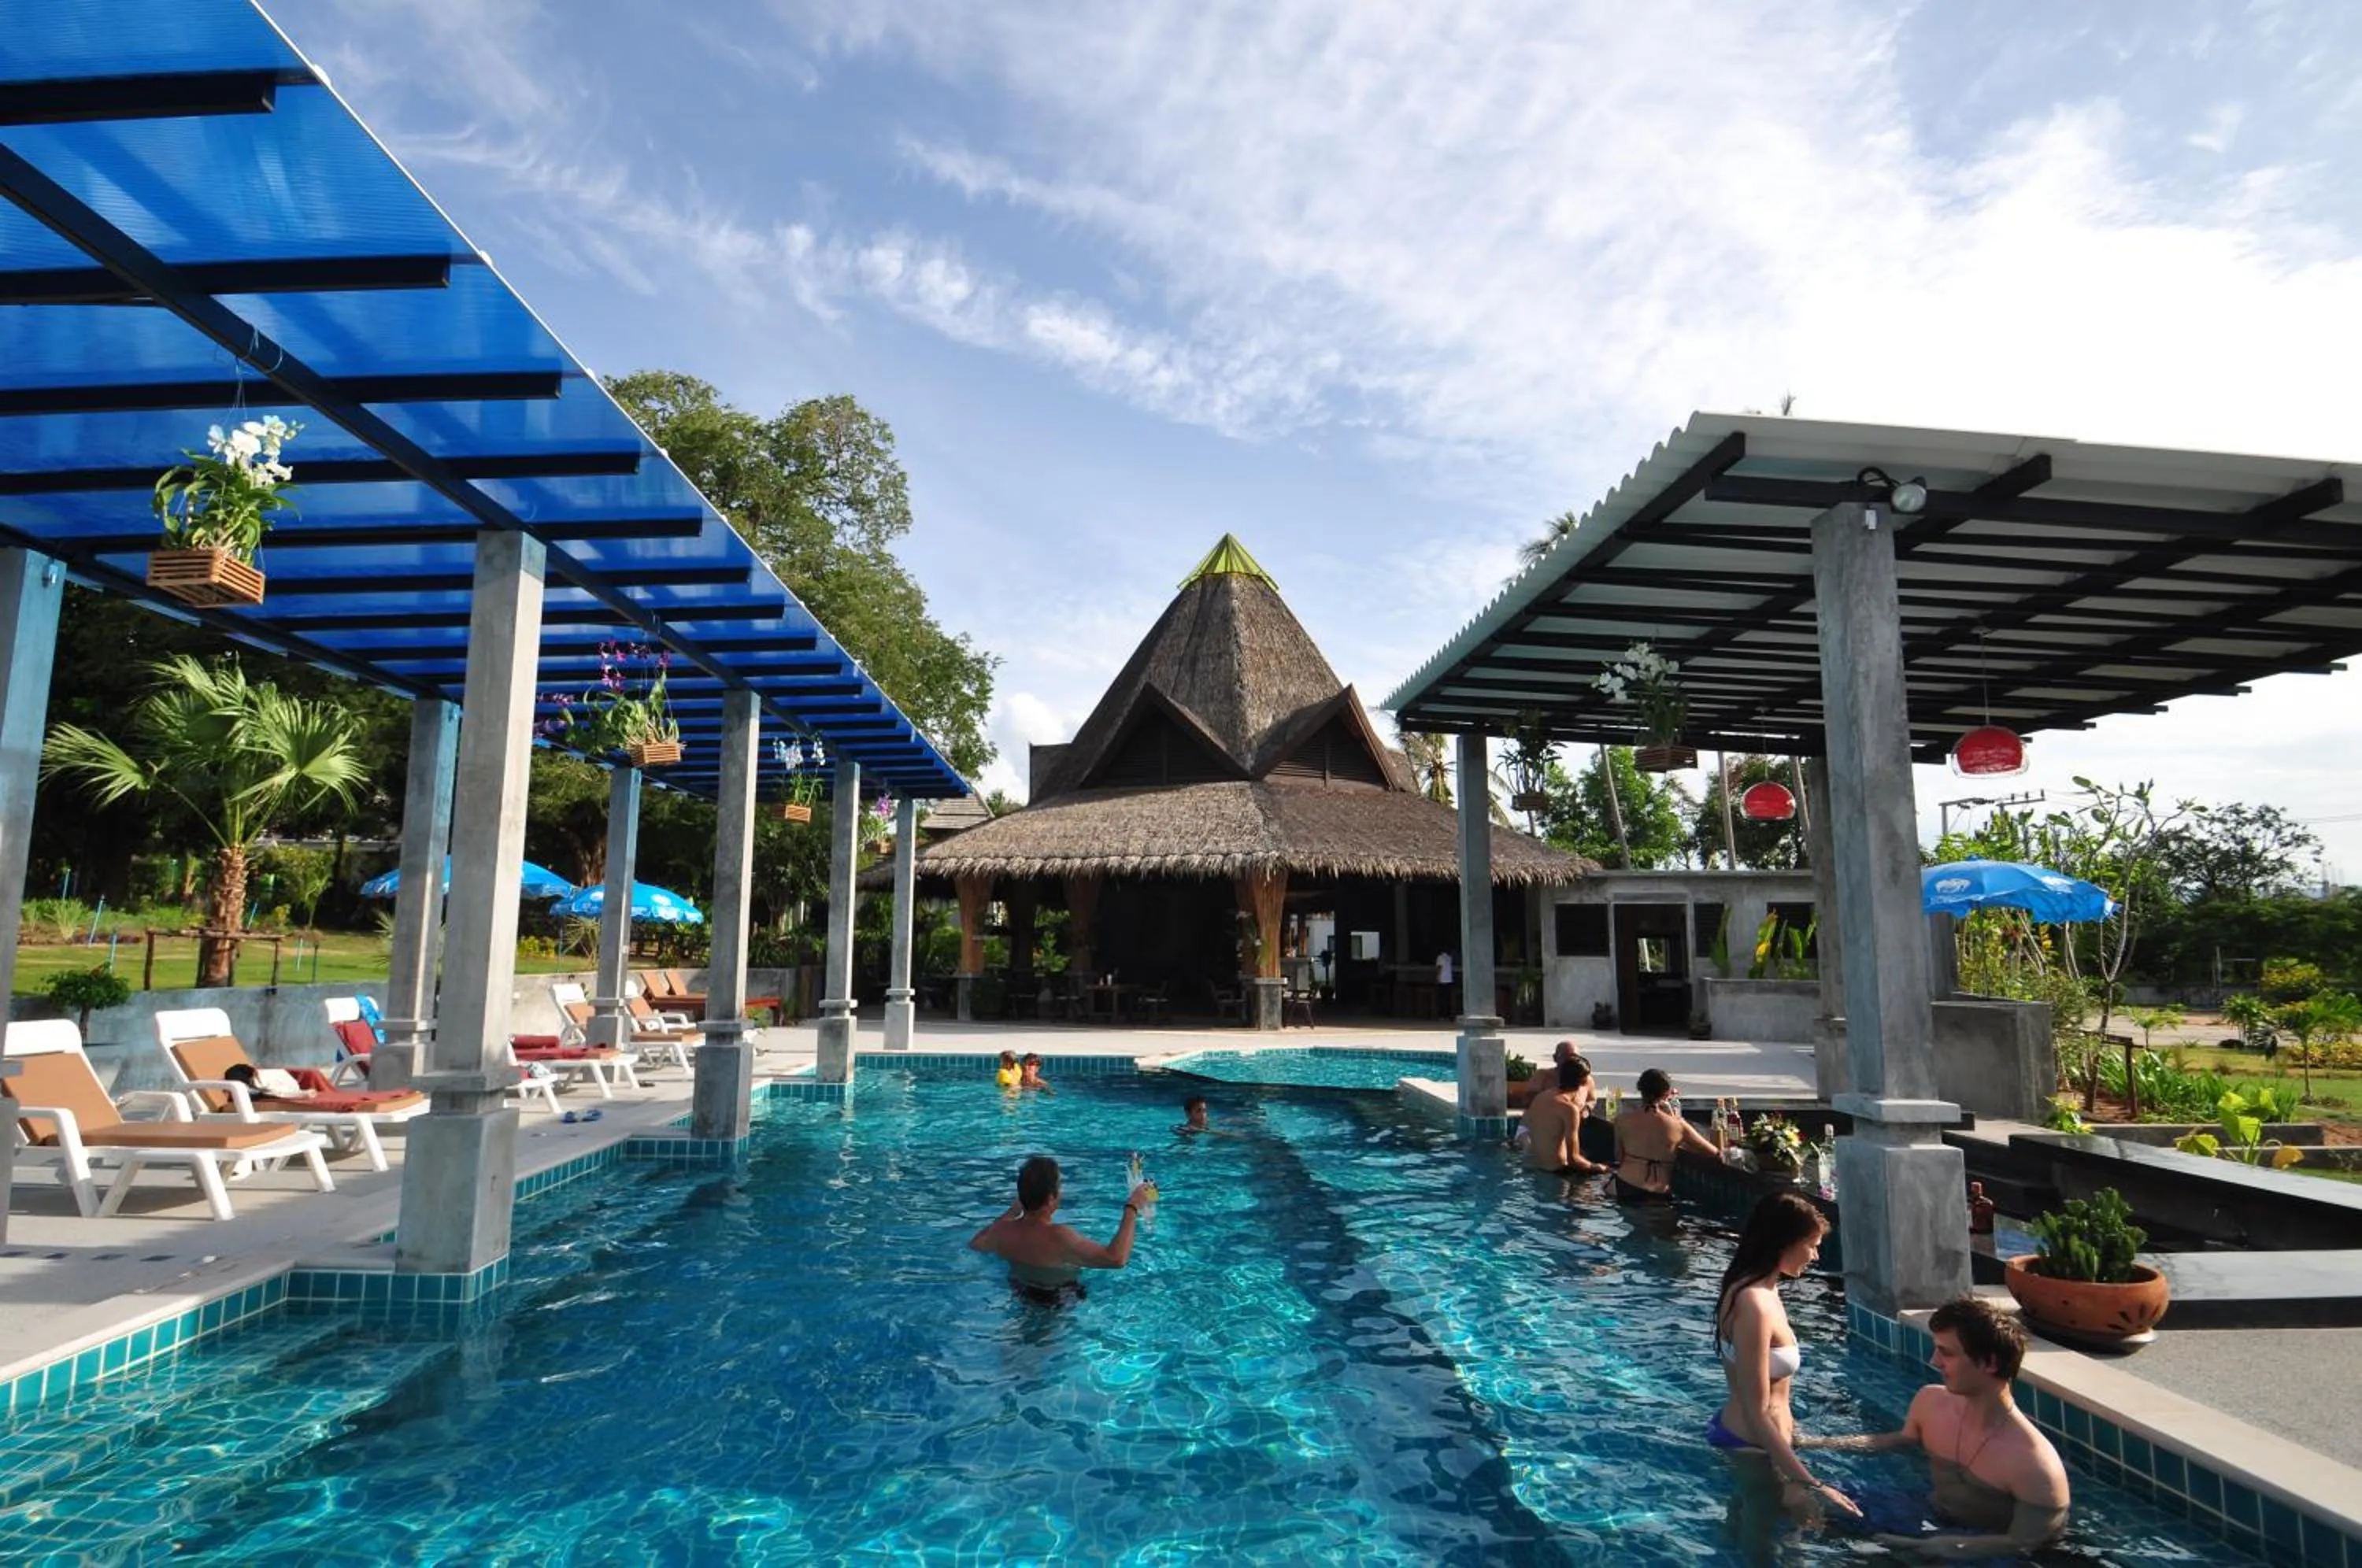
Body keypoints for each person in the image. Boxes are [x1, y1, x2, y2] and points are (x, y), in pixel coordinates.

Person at [1797, 1297, 2071, 1558]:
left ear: (1990, 1362)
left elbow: (2026, 1542)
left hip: (1983, 1547)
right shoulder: (1931, 1402)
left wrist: (1946, 1546)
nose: (1934, 1362)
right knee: (1803, 1495)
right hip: (1924, 1512)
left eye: (1946, 1353)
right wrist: (1816, 1443)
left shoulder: (2034, 1464)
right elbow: (1899, 1439)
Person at [1709, 1190, 1859, 1525]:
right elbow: (1757, 1410)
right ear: (1784, 1243)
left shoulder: (1752, 1287)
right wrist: (1812, 1483)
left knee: (1748, 1538)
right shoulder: (1755, 1304)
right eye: (1812, 1245)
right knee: (1772, 1549)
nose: (1816, 1256)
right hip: (1754, 1445)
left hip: (1760, 1443)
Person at [968, 1155, 1153, 1296]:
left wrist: (1013, 1211)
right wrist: (1132, 1207)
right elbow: (1117, 1259)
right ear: (1051, 1198)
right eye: (1059, 1186)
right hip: (1060, 1299)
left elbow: (975, 1244)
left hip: (1020, 1292)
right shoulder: (1059, 1236)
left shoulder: (1002, 1229)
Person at [1613, 1067, 1719, 1201]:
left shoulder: (1622, 1120)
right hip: (1656, 1191)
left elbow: (1619, 1157)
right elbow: (1714, 1152)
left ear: (1640, 1090)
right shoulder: (1678, 1126)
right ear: (1667, 1094)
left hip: (1624, 1184)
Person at [1523, 1056, 1605, 1174]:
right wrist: (1599, 1167)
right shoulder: (1569, 1110)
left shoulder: (1541, 1098)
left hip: (1534, 1167)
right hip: (1557, 1172)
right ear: (1583, 1082)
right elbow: (1574, 1160)